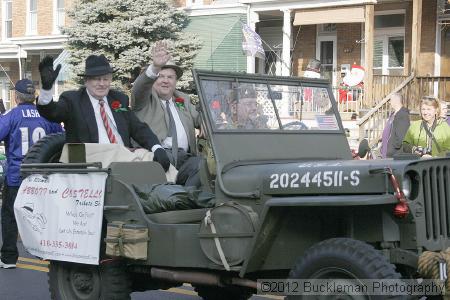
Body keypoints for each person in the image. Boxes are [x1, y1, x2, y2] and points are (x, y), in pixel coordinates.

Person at [36, 55, 170, 171]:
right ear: (86, 81)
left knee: (161, 165)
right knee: (127, 158)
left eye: (105, 79)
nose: (102, 84)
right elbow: (51, 112)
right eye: (96, 79)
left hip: (124, 157)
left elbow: (138, 128)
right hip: (89, 159)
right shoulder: (73, 100)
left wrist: (157, 147)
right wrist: (47, 89)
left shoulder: (118, 100)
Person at [0, 79, 63, 269]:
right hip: (43, 176)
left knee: (10, 215)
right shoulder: (45, 115)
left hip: (17, 176)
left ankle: (9, 258)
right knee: (44, 215)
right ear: (33, 96)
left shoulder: (12, 115)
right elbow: (60, 137)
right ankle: (52, 255)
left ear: (17, 97)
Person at [131, 41, 200, 186]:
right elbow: (139, 87)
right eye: (160, 76)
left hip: (184, 158)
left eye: (170, 77)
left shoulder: (182, 99)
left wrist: (206, 124)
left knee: (202, 165)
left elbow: (200, 118)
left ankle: (188, 202)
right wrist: (155, 67)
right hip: (156, 158)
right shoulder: (145, 98)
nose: (165, 81)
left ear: (175, 81)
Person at [380, 93, 410, 158]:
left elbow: (401, 137)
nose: (390, 102)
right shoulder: (393, 114)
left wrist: (392, 148)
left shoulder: (403, 115)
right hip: (386, 153)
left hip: (393, 155)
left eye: (390, 100)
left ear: (396, 101)